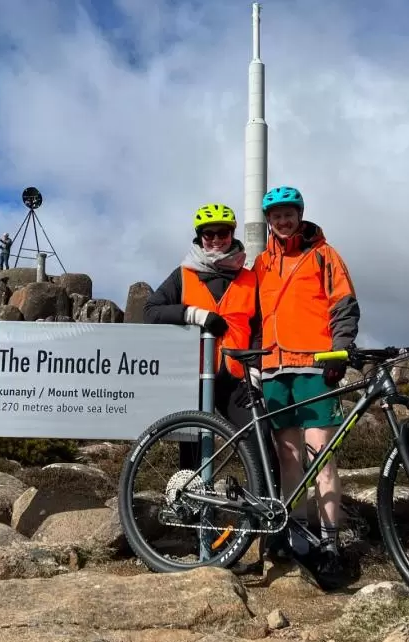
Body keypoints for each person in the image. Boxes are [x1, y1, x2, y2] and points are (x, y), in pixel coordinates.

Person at [252, 185, 359, 589]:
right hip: (275, 368)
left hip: (315, 368)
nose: (283, 220)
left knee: (321, 457)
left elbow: (344, 305)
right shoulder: (262, 263)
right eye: (275, 215)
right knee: (289, 456)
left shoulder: (324, 255)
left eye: (288, 213)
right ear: (269, 221)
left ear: (299, 214)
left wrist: (340, 351)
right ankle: (296, 537)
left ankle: (331, 546)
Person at [144, 202, 264, 473]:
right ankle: (190, 512)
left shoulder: (250, 278)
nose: (216, 240)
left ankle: (262, 511)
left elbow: (259, 329)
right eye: (209, 234)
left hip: (237, 377)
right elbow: (151, 311)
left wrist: (255, 373)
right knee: (192, 450)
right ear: (199, 237)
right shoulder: (184, 275)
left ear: (232, 234)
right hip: (195, 376)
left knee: (260, 440)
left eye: (223, 233)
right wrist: (196, 315)